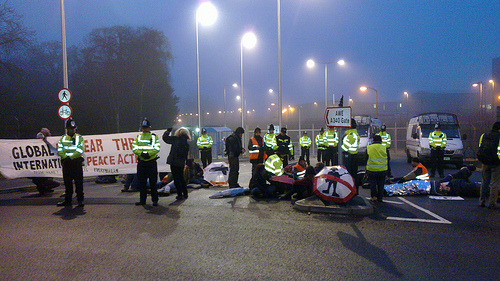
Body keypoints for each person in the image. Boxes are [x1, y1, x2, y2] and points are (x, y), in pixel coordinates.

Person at [57, 118, 85, 207]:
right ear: (67, 129)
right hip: (67, 164)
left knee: (79, 183)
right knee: (67, 184)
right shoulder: (63, 138)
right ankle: (67, 200)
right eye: (71, 129)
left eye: (74, 129)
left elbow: (80, 150)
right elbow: (60, 150)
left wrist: (70, 157)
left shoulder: (79, 138)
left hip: (76, 163)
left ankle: (80, 200)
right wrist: (65, 158)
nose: (73, 130)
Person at [132, 118, 160, 206]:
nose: (144, 129)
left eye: (146, 127)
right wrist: (141, 154)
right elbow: (134, 148)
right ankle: (142, 200)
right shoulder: (138, 137)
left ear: (149, 128)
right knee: (142, 183)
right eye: (143, 128)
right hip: (141, 162)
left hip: (151, 162)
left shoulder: (154, 137)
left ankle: (155, 200)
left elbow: (157, 148)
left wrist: (148, 154)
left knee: (153, 182)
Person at [163, 127, 191, 200]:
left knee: (176, 178)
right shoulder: (186, 142)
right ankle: (185, 193)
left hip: (174, 162)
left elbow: (165, 138)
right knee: (181, 177)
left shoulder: (175, 139)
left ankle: (179, 194)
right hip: (181, 162)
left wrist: (167, 131)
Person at [478, 122, 500, 209]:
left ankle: (482, 201)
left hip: (485, 162)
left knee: (484, 182)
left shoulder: (484, 135)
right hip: (496, 163)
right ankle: (492, 203)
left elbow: (480, 146)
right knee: (495, 183)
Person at [32, 128, 60, 195]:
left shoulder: (49, 142)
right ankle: (43, 188)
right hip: (40, 166)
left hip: (46, 165)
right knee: (42, 178)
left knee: (48, 177)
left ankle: (45, 188)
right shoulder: (38, 142)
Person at [366, 135, 388, 203]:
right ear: (380, 141)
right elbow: (388, 158)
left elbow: (366, 158)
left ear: (373, 140)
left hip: (371, 169)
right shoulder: (384, 148)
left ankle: (373, 197)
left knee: (373, 184)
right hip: (382, 170)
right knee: (381, 184)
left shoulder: (369, 148)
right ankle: (380, 198)